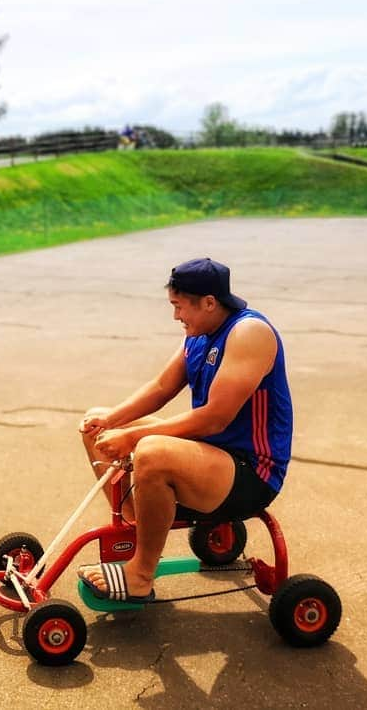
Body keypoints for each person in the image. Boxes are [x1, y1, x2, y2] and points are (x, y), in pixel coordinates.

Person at [77, 257, 292, 603]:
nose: (176, 316)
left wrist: (132, 437)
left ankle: (140, 575)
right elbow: (162, 387)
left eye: (180, 307)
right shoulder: (199, 333)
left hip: (250, 472)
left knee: (150, 451)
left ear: (209, 302)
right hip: (211, 454)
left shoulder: (249, 333)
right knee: (97, 427)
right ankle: (138, 530)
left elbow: (214, 419)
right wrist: (113, 420)